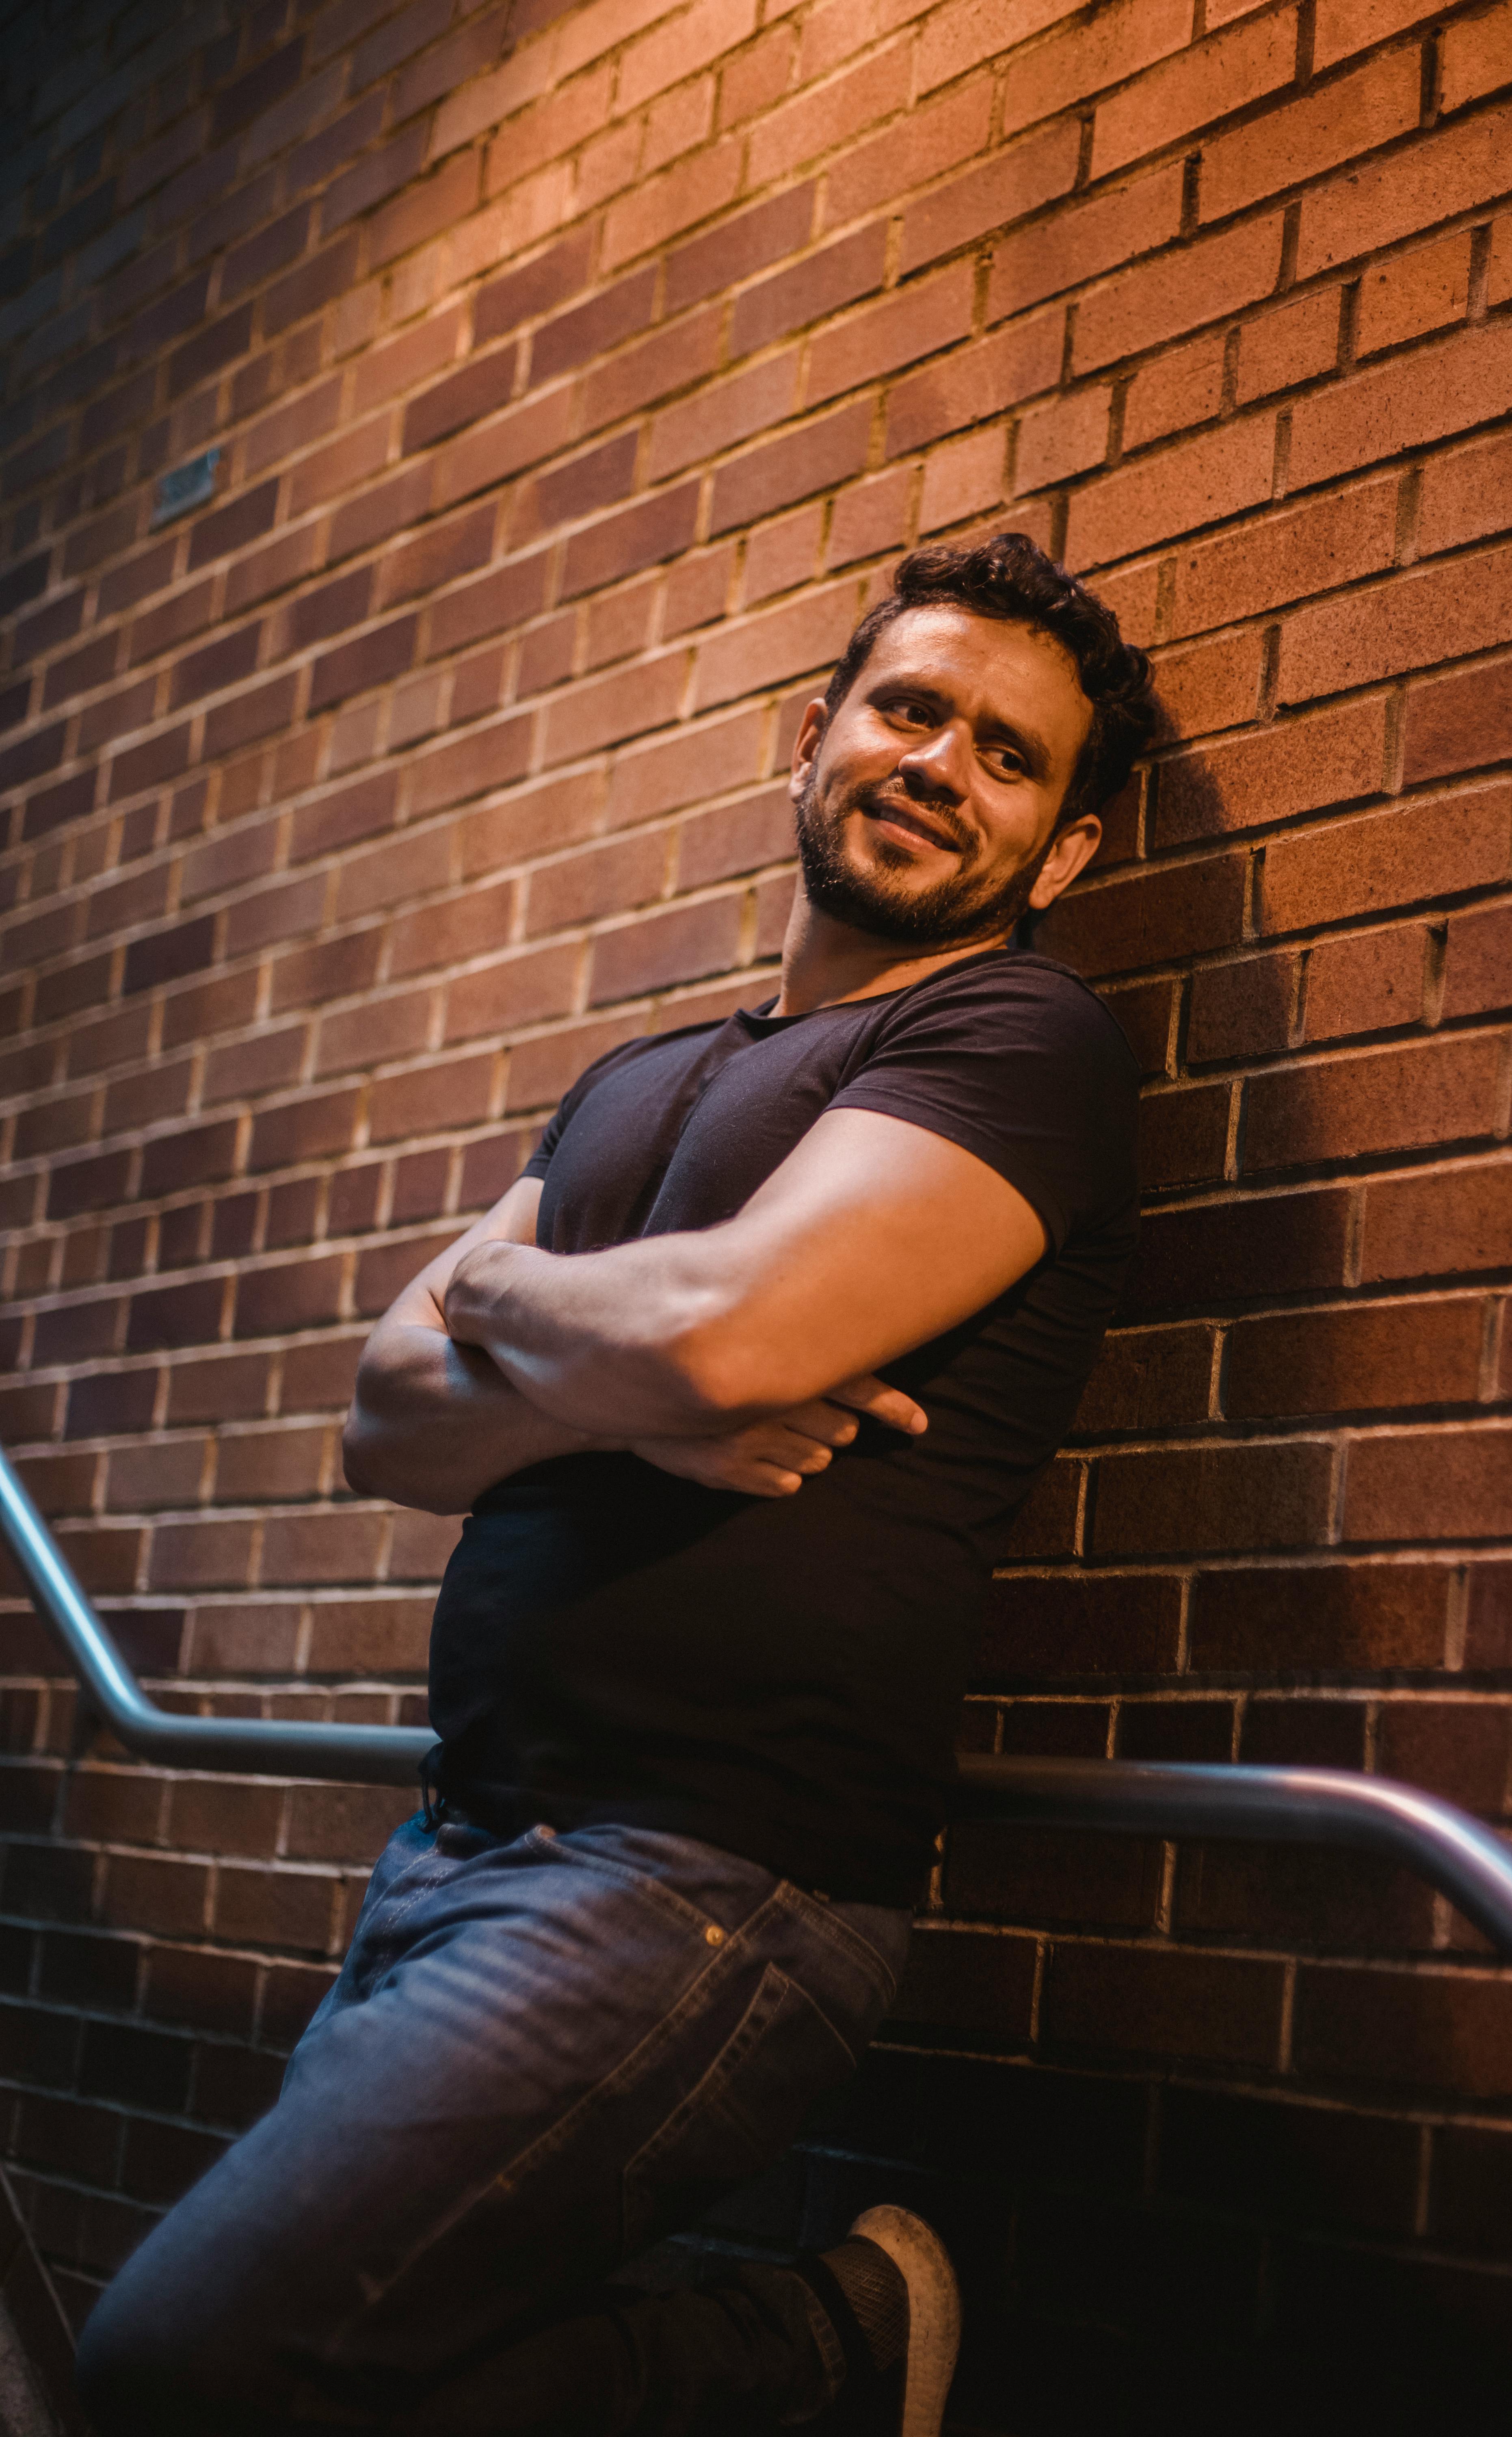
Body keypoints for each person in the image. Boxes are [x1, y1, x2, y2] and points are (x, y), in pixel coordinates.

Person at [76, 532, 1152, 2437]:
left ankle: (797, 2359)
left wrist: (501, 1291)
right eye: (907, 709)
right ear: (808, 738)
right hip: (459, 1852)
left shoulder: (1007, 1035)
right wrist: (616, 1400)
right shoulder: (638, 1081)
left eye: (1006, 755)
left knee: (185, 2368)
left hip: (709, 1880)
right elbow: (388, 1425)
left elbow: (718, 1342)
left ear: (1062, 852)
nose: (938, 762)